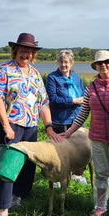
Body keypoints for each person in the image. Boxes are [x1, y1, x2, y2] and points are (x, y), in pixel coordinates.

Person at [0, 33, 61, 216]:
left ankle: (15, 199)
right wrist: (5, 126)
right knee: (7, 167)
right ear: (15, 51)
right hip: (10, 126)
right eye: (22, 50)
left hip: (30, 127)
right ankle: (0, 211)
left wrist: (48, 126)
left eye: (29, 51)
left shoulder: (35, 74)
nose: (26, 54)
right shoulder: (3, 70)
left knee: (26, 167)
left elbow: (43, 102)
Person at [60, 50, 109, 216]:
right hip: (97, 137)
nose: (103, 65)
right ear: (96, 66)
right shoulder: (91, 87)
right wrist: (69, 132)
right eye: (99, 63)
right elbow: (83, 113)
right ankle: (100, 207)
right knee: (101, 174)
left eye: (106, 62)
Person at [46, 49, 87, 185]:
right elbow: (53, 99)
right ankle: (58, 175)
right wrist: (73, 101)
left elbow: (83, 95)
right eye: (61, 62)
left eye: (66, 62)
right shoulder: (52, 78)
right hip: (60, 119)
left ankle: (77, 174)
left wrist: (81, 102)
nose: (64, 65)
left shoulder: (76, 78)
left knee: (79, 147)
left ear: (71, 63)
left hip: (77, 118)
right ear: (58, 62)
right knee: (59, 149)